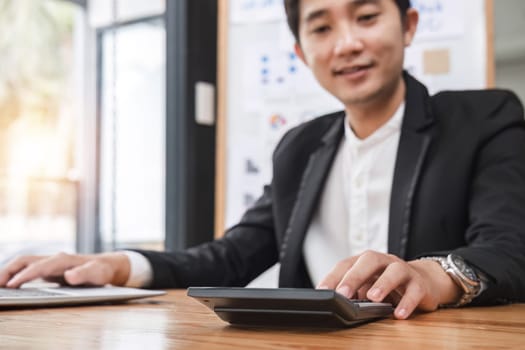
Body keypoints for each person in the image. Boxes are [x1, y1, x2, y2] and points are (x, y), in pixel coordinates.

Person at [1, 0, 525, 320]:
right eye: (320, 28)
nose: (346, 43)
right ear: (301, 51)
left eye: (366, 16)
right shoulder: (298, 147)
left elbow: (509, 248)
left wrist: (435, 276)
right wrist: (119, 264)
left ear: (408, 24)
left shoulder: (484, 117)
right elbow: (230, 258)